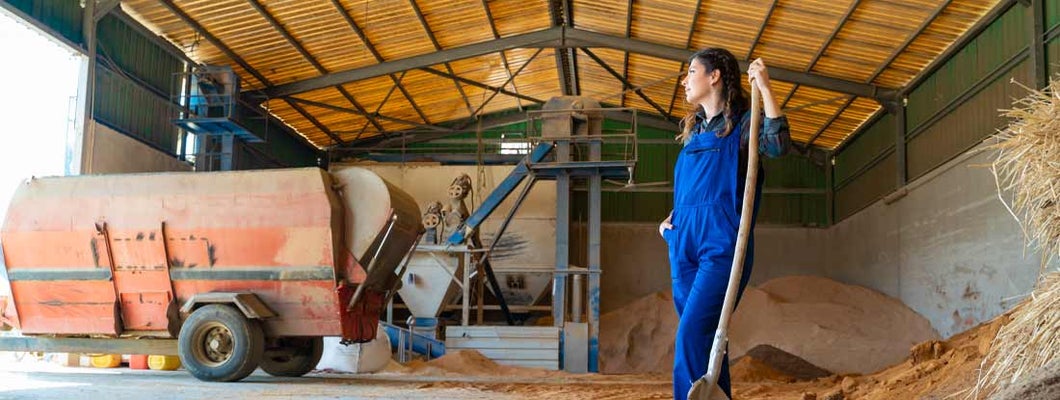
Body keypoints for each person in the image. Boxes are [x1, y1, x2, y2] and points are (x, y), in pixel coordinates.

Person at [658, 48, 791, 399]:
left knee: (690, 336)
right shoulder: (693, 132)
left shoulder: (745, 123)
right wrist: (670, 227)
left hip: (722, 248)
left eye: (691, 72)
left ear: (714, 76)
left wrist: (765, 88)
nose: (684, 80)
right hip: (682, 246)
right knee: (706, 342)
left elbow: (778, 146)